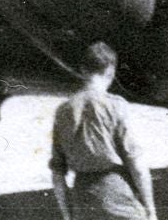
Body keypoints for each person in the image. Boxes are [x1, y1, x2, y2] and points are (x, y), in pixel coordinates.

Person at [50, 41, 157, 220]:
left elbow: (57, 175)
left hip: (83, 201)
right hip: (118, 199)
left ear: (83, 70)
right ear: (111, 72)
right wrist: (151, 212)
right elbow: (137, 166)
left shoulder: (62, 111)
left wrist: (68, 216)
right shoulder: (116, 106)